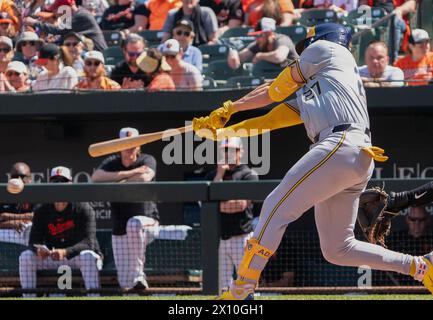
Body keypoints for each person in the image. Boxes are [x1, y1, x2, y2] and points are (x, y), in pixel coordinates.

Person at [192, 23, 433, 300]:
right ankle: (421, 266)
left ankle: (242, 290)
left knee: (274, 206)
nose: (301, 56)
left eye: (304, 48)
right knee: (337, 249)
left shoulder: (327, 49)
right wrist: (222, 130)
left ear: (320, 40)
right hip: (354, 155)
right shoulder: (325, 83)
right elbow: (271, 119)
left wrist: (230, 107)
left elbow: (273, 90)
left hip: (339, 144)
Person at [91, 127, 159, 290]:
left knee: (134, 224)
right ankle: (135, 285)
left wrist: (114, 180)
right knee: (125, 283)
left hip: (148, 222)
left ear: (139, 145)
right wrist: (130, 173)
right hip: (120, 227)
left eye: (134, 143)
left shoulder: (147, 159)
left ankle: (139, 275)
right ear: (118, 146)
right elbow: (96, 178)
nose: (130, 147)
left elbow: (144, 177)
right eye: (126, 143)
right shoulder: (112, 162)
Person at [19, 166, 102, 297]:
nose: (59, 186)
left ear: (70, 185)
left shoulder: (83, 208)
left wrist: (66, 252)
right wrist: (38, 250)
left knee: (88, 256)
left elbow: (88, 243)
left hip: (77, 257)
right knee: (26, 256)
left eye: (62, 182)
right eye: (55, 182)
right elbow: (33, 241)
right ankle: (28, 298)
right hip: (53, 257)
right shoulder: (41, 210)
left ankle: (94, 297)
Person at [205, 137, 259, 293]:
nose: (227, 154)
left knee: (247, 281)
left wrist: (216, 206)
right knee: (221, 286)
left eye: (231, 150)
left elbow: (240, 205)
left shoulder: (248, 174)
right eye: (224, 150)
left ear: (240, 152)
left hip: (241, 236)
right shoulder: (212, 176)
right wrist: (219, 175)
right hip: (219, 238)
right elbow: (205, 206)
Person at [23, 0, 108, 52]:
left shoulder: (82, 15)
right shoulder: (75, 16)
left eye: (57, 10)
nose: (56, 14)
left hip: (97, 53)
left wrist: (34, 22)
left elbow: (58, 29)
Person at [227, 17, 298, 70]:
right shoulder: (259, 44)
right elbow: (241, 57)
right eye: (256, 35)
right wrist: (233, 52)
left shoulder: (283, 39)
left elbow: (279, 57)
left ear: (269, 33)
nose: (257, 38)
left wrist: (260, 56)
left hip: (295, 78)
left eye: (260, 35)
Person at [0, 163, 34, 246]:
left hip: (29, 240)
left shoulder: (37, 194)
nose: (18, 179)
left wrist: (6, 216)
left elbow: (37, 216)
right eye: (15, 176)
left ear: (30, 179)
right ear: (10, 178)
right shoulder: (3, 195)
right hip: (5, 242)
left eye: (22, 176)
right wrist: (10, 223)